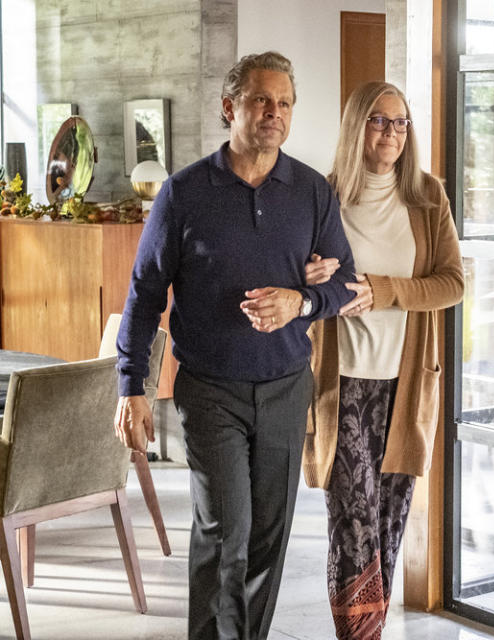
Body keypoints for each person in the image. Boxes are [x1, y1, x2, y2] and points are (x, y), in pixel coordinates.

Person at [113, 51, 356, 640]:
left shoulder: (312, 193)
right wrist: (132, 387)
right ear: (230, 107)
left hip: (285, 387)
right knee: (227, 531)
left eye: (285, 103)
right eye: (260, 100)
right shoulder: (184, 193)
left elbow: (347, 282)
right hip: (210, 390)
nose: (273, 113)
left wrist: (303, 302)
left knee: (268, 538)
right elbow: (145, 295)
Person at [301, 81, 464, 639]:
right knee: (353, 523)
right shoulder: (322, 196)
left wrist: (385, 290)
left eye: (400, 123)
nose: (391, 132)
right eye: (378, 120)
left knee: (389, 524)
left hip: (404, 386)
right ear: (356, 126)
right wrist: (308, 277)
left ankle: (370, 632)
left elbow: (451, 283)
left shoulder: (427, 197)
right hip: (340, 385)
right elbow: (293, 277)